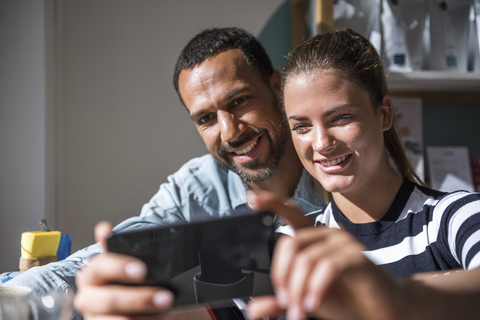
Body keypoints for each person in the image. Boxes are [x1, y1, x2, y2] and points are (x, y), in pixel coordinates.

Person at [3, 27, 325, 319]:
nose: (230, 133)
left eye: (239, 101)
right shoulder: (197, 187)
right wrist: (14, 301)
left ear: (277, 86)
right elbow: (93, 263)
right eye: (206, 119)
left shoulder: (337, 165)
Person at [245, 29, 480, 320]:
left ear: (384, 114)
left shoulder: (454, 216)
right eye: (302, 126)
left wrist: (395, 298)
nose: (321, 144)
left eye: (341, 117)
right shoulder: (290, 244)